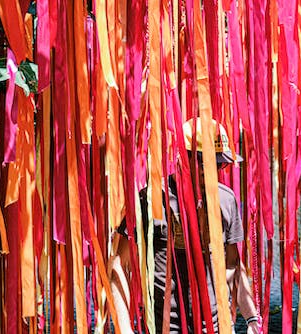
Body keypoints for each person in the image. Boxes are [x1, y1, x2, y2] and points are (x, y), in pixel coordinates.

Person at [110, 118, 260, 333]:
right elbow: (117, 265)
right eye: (205, 162)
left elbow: (233, 265)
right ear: (182, 155)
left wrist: (251, 318)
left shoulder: (226, 200)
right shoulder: (150, 199)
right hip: (164, 327)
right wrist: (124, 328)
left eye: (219, 164)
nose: (212, 170)